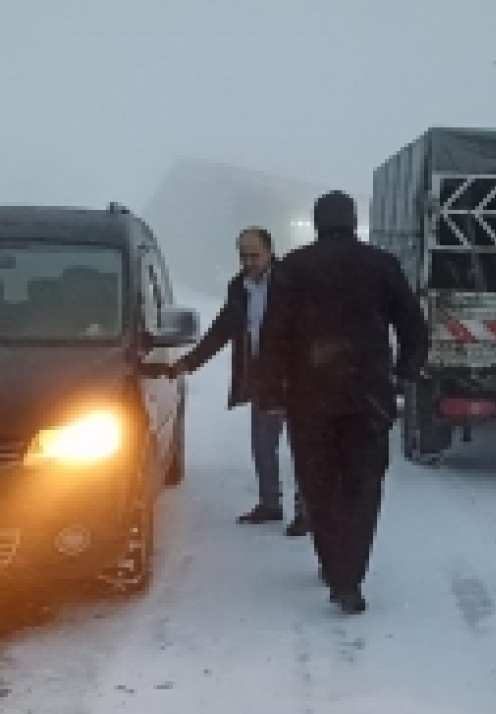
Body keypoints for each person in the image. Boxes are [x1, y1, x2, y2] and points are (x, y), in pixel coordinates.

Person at [259, 191, 428, 614]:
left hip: (309, 397)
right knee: (362, 487)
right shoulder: (382, 266)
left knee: (318, 485)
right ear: (354, 222)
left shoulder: (294, 268)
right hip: (368, 396)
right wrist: (405, 373)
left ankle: (332, 564)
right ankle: (350, 578)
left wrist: (271, 392)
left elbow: (273, 336)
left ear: (317, 223)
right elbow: (414, 327)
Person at [166, 227, 308, 535]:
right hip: (261, 378)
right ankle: (270, 504)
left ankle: (306, 511)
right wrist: (189, 363)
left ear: (271, 251)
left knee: (303, 447)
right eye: (243, 255)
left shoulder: (292, 283)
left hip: (297, 379)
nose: (249, 261)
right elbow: (222, 331)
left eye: (255, 255)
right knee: (262, 446)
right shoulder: (238, 288)